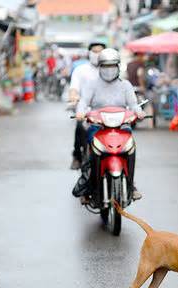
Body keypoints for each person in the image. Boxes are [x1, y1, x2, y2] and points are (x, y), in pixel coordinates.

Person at [75, 48, 144, 203]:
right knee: (90, 150)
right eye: (105, 66)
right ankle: (87, 184)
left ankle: (131, 185)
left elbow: (133, 104)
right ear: (100, 66)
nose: (109, 69)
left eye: (112, 65)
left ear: (118, 67)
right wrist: (81, 112)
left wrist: (138, 112)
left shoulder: (125, 85)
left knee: (130, 148)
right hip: (98, 126)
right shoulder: (91, 84)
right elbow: (83, 102)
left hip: (121, 126)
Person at [68, 42, 106, 170]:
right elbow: (74, 88)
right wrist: (74, 97)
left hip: (108, 111)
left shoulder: (110, 69)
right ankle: (77, 156)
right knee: (80, 127)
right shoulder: (80, 70)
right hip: (86, 109)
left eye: (100, 51)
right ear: (89, 53)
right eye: (94, 51)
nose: (97, 54)